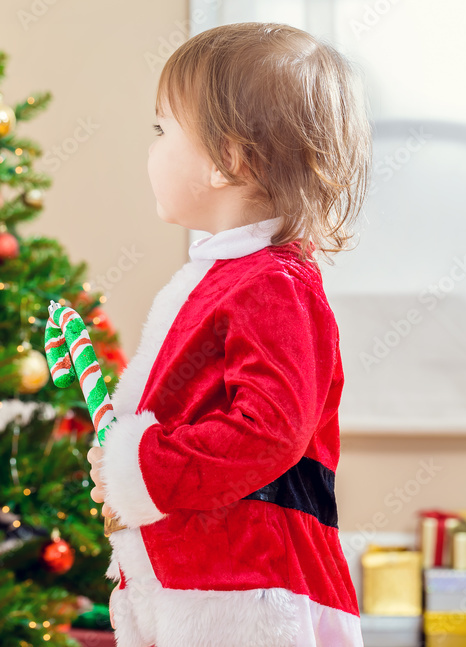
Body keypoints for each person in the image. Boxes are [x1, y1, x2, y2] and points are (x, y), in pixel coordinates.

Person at [86, 22, 371, 647]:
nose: (152, 148)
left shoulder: (274, 284)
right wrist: (129, 467)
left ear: (228, 159)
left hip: (246, 592)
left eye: (163, 130)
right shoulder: (228, 276)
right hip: (202, 579)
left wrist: (144, 466)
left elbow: (268, 431)